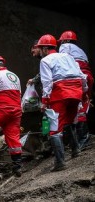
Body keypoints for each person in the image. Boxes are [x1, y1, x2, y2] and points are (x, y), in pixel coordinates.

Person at [36, 34, 87, 171]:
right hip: (76, 91)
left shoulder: (45, 60)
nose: (40, 52)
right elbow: (82, 76)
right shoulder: (69, 57)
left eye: (40, 49)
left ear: (45, 48)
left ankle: (60, 163)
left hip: (60, 93)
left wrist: (45, 102)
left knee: (54, 129)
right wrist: (84, 92)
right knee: (69, 122)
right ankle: (76, 150)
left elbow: (47, 82)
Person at [58, 30, 94, 149]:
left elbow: (64, 61)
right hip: (88, 77)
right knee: (83, 105)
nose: (61, 43)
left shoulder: (65, 46)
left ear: (66, 40)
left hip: (79, 76)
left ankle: (83, 138)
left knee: (76, 107)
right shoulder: (81, 50)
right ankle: (82, 137)